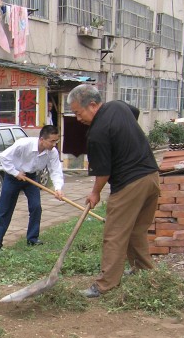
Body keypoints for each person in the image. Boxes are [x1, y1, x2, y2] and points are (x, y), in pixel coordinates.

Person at [67, 84, 160, 298]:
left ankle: (105, 284)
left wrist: (95, 193)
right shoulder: (118, 106)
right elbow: (133, 113)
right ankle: (144, 270)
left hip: (130, 184)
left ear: (92, 105)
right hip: (152, 177)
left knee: (114, 234)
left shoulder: (97, 134)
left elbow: (104, 172)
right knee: (137, 230)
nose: (77, 118)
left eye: (78, 113)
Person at [0, 125, 64, 253]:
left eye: (56, 141)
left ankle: (32, 239)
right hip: (14, 177)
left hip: (31, 178)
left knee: (36, 207)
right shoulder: (24, 144)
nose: (54, 144)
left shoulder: (52, 152)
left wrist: (58, 188)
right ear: (42, 139)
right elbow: (4, 157)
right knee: (5, 209)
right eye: (52, 141)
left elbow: (56, 170)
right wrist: (15, 172)